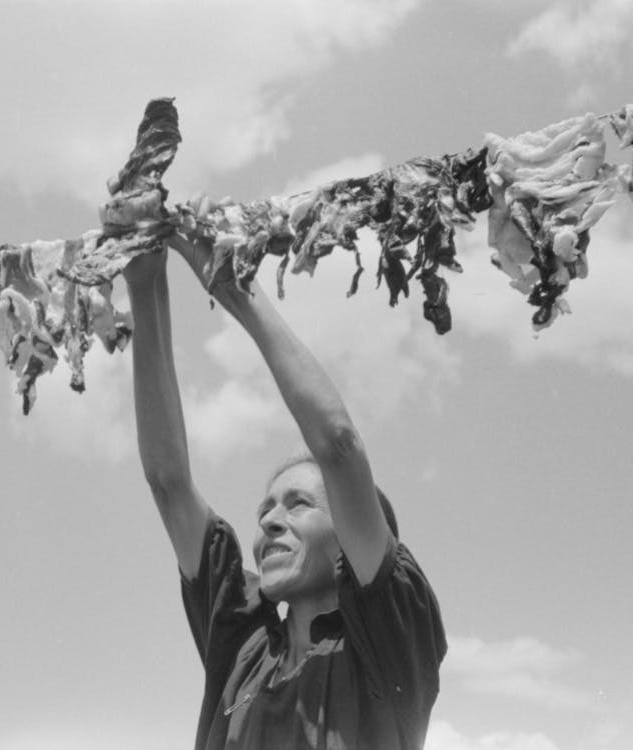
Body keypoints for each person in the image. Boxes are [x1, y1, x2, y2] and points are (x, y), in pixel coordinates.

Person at [123, 231, 447, 750]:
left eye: (299, 504)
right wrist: (143, 279)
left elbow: (339, 446)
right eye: (266, 509)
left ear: (352, 543)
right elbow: (168, 482)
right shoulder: (243, 645)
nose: (270, 521)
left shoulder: (388, 646)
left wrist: (231, 283)